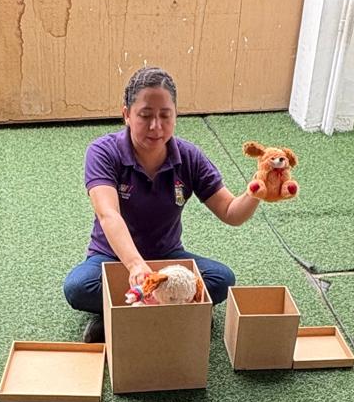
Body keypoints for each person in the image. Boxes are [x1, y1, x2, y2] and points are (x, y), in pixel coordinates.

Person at [63, 66, 264, 343]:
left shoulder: (189, 156)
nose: (156, 126)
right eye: (145, 115)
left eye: (165, 115)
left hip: (168, 259)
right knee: (78, 287)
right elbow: (109, 215)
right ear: (127, 114)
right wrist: (135, 265)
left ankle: (120, 316)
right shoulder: (103, 151)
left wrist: (257, 189)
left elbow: (231, 212)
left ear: (175, 115)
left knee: (222, 279)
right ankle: (180, 311)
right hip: (113, 258)